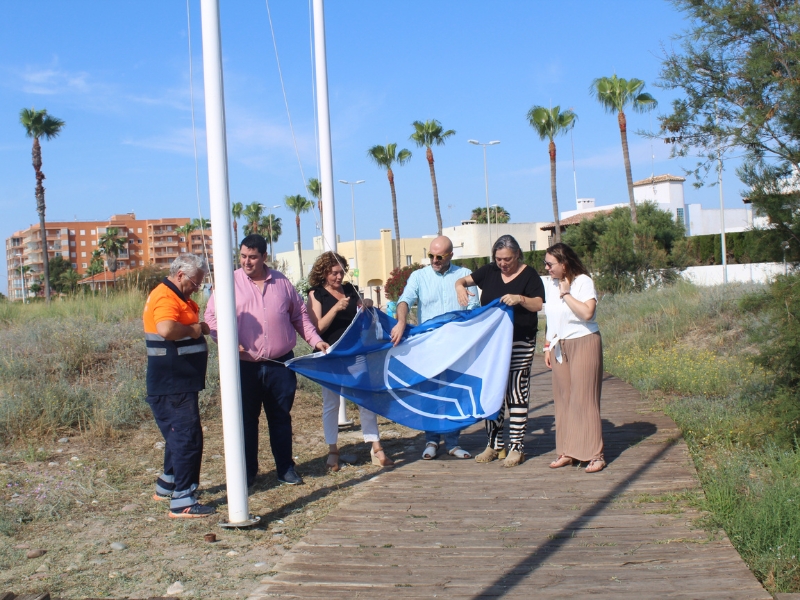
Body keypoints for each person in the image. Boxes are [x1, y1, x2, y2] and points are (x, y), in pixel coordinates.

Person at [204, 234, 329, 487]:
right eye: (242, 256)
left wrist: (316, 341)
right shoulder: (229, 283)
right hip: (243, 366)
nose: (246, 262)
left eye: (252, 257)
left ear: (264, 257)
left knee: (281, 417)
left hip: (280, 366)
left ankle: (285, 469)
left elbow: (300, 317)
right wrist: (226, 341)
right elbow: (211, 318)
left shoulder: (282, 282)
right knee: (246, 421)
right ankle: (248, 473)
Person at [455, 235, 545, 468]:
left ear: (517, 255)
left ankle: (516, 447)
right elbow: (463, 281)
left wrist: (520, 298)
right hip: (492, 345)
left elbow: (537, 304)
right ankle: (494, 445)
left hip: (520, 341)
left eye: (507, 259)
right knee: (493, 391)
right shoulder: (489, 271)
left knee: (516, 392)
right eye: (498, 259)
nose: (503, 264)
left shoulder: (529, 275)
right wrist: (460, 288)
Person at [390, 236, 480, 460]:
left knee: (453, 392)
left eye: (439, 256)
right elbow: (404, 300)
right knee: (428, 391)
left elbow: (474, 308)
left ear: (450, 255)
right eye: (431, 255)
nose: (434, 260)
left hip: (456, 346)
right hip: (428, 346)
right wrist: (401, 321)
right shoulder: (418, 276)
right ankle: (431, 440)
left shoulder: (464, 275)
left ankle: (452, 442)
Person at [306, 251, 394, 470]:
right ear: (324, 271)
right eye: (334, 273)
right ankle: (333, 450)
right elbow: (317, 328)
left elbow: (364, 314)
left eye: (342, 272)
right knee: (331, 404)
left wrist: (367, 303)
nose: (339, 277)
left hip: (355, 353)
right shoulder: (315, 294)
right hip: (330, 355)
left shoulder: (350, 290)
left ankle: (376, 446)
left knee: (366, 398)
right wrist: (336, 308)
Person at [143, 254, 215, 518]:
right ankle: (183, 499)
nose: (197, 288)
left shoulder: (177, 297)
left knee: (178, 436)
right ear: (181, 275)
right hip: (173, 383)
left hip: (179, 382)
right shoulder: (165, 296)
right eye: (196, 283)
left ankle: (168, 484)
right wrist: (194, 330)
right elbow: (165, 328)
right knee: (187, 439)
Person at [542, 242, 605, 473]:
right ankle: (568, 451)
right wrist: (547, 346)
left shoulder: (583, 282)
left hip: (584, 341)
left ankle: (594, 454)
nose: (547, 268)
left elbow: (588, 313)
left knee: (584, 400)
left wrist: (566, 293)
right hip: (560, 346)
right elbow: (552, 317)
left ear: (564, 263)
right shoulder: (550, 284)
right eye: (545, 264)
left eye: (550, 264)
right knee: (564, 400)